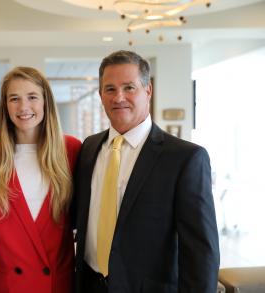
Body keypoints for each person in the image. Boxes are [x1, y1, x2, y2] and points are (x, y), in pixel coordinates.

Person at [73, 50, 220, 293]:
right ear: (100, 95)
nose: (119, 97)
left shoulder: (185, 158)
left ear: (148, 90)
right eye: (110, 89)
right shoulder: (89, 148)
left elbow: (201, 252)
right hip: (88, 285)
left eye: (129, 87)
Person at [0, 66, 81, 293]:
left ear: (45, 103)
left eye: (32, 97)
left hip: (56, 283)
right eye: (14, 99)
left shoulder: (70, 150)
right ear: (5, 106)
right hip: (6, 284)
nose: (23, 107)